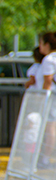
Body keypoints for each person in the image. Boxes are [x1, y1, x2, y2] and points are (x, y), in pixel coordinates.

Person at [38, 32, 56, 167]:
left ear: (47, 45)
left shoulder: (49, 59)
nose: (40, 46)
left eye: (41, 43)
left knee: (50, 128)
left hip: (51, 100)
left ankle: (45, 158)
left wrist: (42, 101)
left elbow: (48, 82)